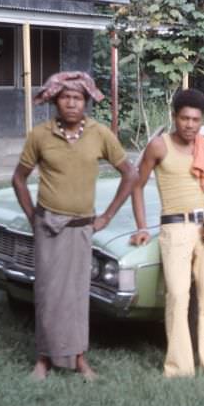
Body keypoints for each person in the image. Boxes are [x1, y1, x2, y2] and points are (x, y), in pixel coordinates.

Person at [11, 71, 137, 381]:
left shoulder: (100, 133)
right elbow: (18, 179)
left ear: (86, 102)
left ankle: (79, 358)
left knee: (78, 294)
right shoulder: (39, 135)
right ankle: (43, 358)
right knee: (48, 292)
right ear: (55, 101)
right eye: (65, 97)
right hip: (49, 226)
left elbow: (130, 174)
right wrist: (33, 217)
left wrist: (105, 217)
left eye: (77, 98)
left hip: (82, 228)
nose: (71, 103)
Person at [129, 89, 204, 378]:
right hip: (174, 228)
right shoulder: (159, 146)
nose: (190, 125)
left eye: (196, 119)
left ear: (202, 121)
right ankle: (179, 368)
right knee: (177, 295)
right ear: (174, 117)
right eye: (184, 118)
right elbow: (137, 185)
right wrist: (141, 227)